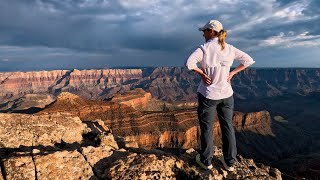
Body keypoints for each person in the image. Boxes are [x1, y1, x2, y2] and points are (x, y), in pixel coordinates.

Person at [185, 19, 255, 171]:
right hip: (227, 95)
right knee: (227, 126)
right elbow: (248, 60)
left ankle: (206, 161)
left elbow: (189, 64)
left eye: (204, 31)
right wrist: (233, 73)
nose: (203, 34)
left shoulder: (204, 48)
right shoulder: (229, 48)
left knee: (207, 128)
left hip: (209, 95)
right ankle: (229, 162)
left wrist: (202, 74)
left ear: (211, 31)